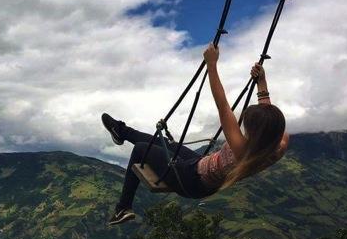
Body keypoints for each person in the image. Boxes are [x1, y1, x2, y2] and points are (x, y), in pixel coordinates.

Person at [103, 43, 289, 226]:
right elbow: (269, 121)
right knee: (168, 145)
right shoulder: (278, 145)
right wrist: (261, 82)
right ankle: (121, 131)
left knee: (141, 149)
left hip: (190, 180)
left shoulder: (241, 149)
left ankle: (123, 208)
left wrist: (212, 65)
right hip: (200, 165)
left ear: (254, 133)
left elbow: (222, 105)